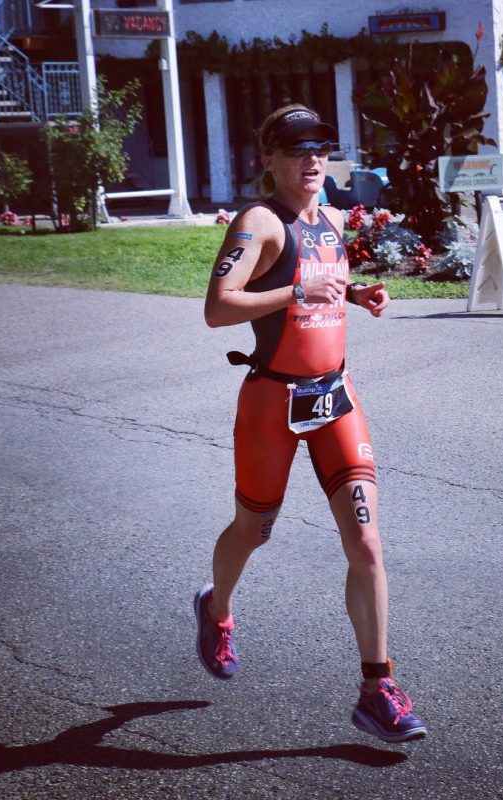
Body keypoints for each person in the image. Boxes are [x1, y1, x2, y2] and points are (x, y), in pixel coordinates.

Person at [195, 104, 426, 744]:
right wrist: (297, 293)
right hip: (272, 402)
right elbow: (218, 307)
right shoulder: (259, 222)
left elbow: (321, 280)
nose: (312, 161)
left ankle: (377, 689)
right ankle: (216, 610)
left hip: (335, 397)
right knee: (254, 529)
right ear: (267, 161)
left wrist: (355, 292)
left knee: (368, 544)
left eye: (321, 149)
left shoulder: (330, 217)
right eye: (297, 151)